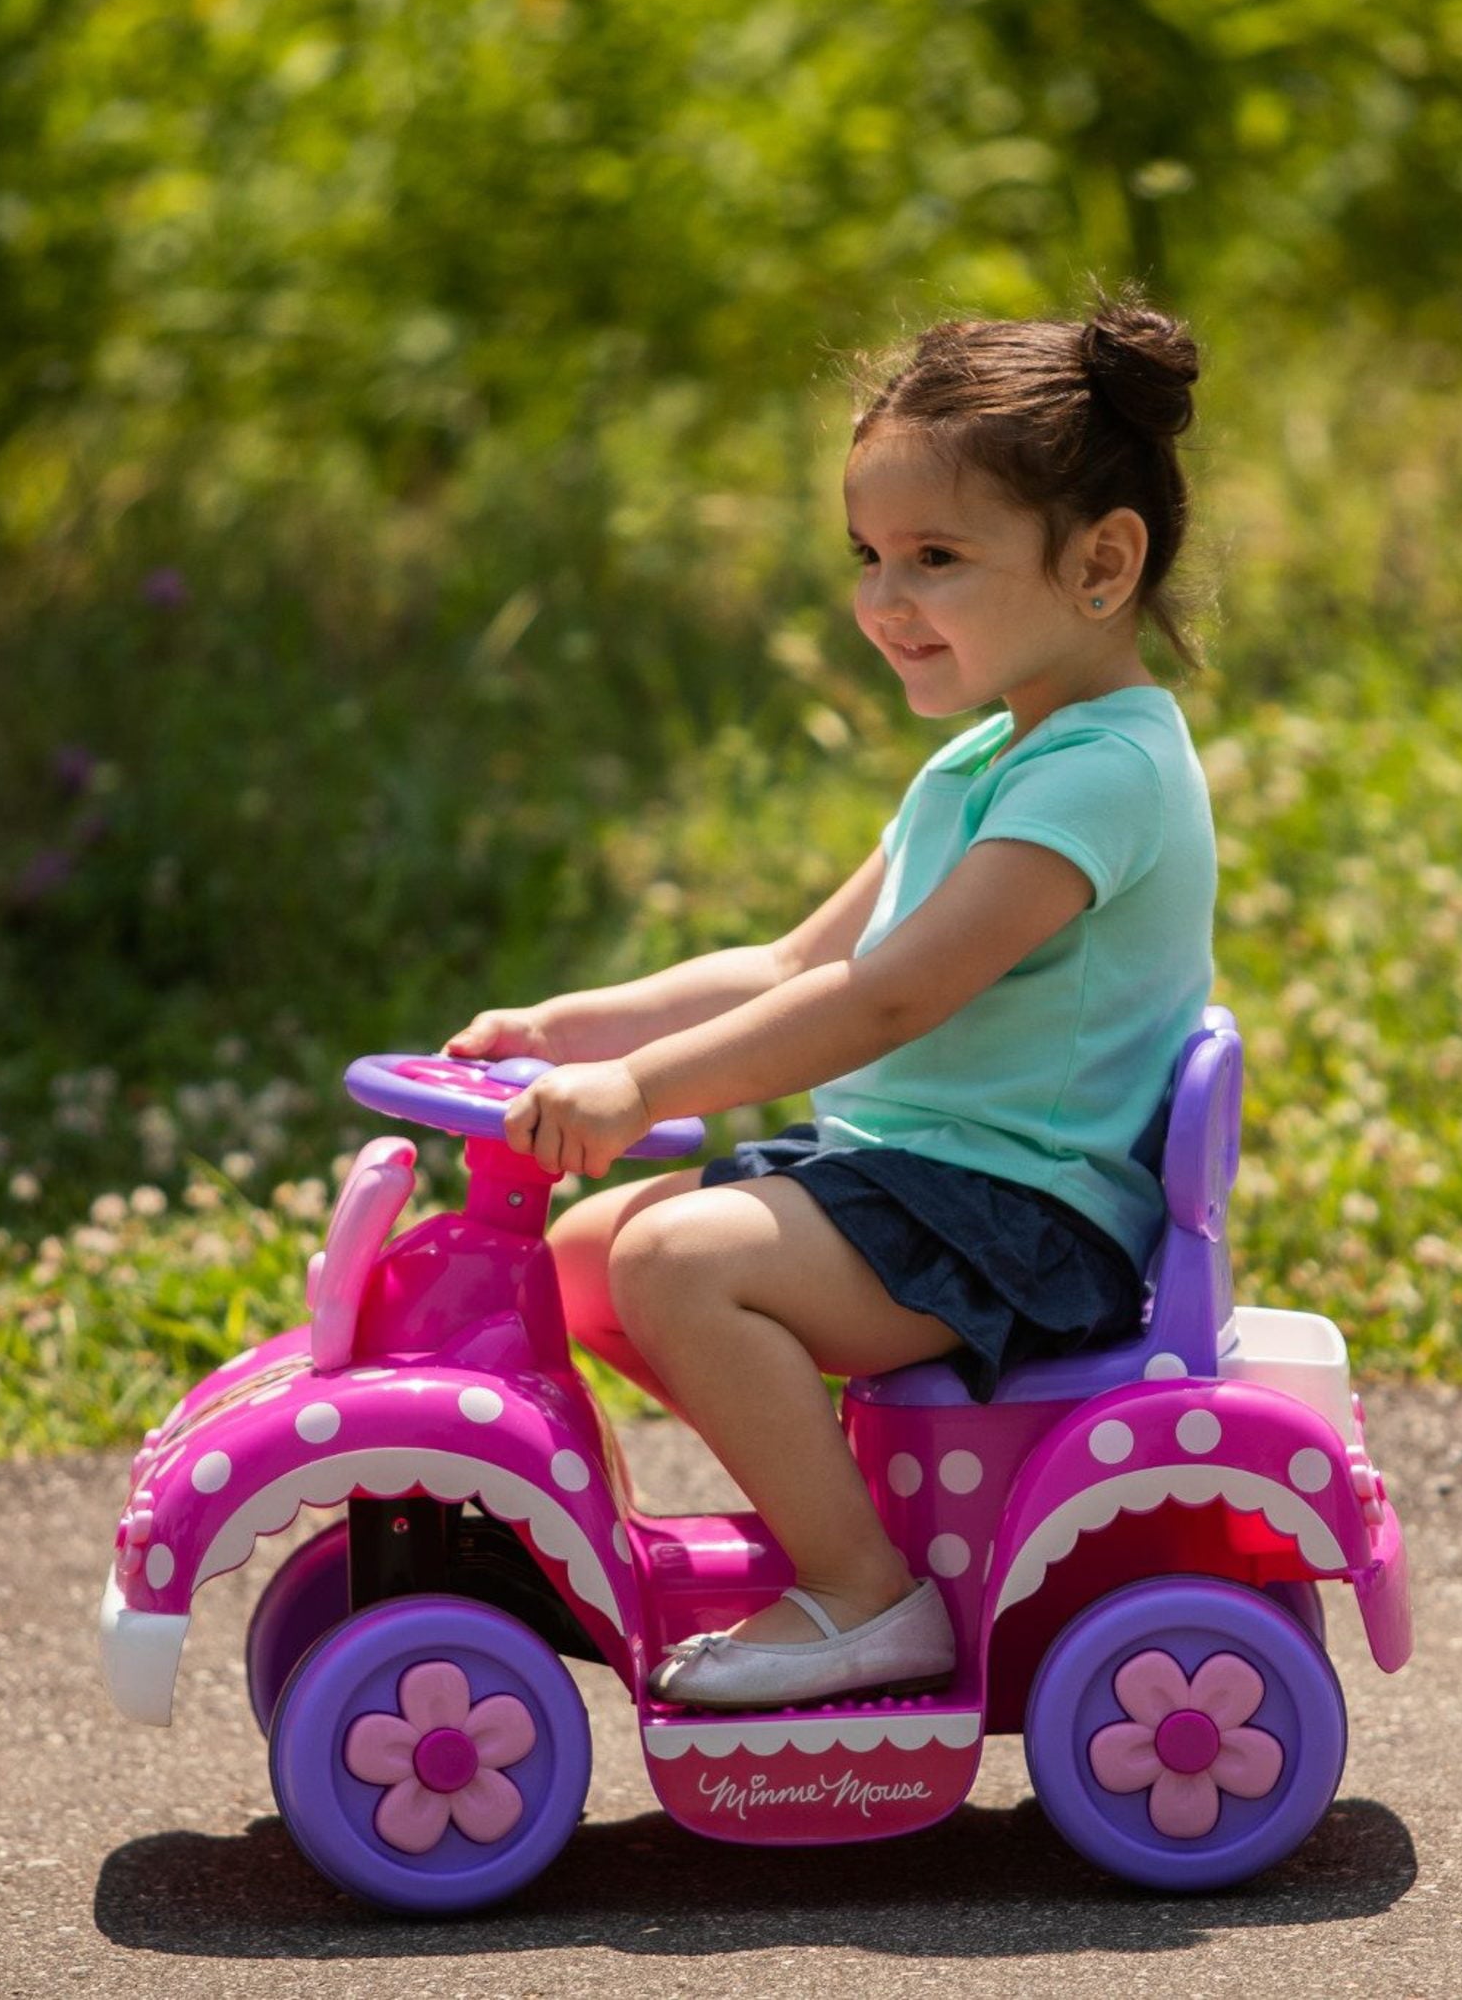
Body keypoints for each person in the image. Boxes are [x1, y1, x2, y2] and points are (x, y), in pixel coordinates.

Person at [443, 297, 1220, 1709]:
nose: (883, 600)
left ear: (1103, 564)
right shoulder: (991, 756)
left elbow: (886, 1004)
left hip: (1023, 1219)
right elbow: (799, 966)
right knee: (580, 1256)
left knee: (678, 1265)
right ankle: (813, 1525)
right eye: (868, 556)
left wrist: (641, 1093)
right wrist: (577, 1028)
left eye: (936, 558)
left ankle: (868, 1596)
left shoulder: (1101, 775)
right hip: (926, 1183)